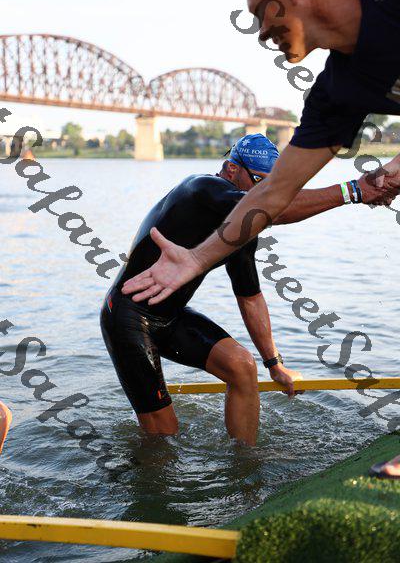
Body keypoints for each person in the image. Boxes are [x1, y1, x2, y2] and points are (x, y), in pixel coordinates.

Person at [120, 0, 400, 305]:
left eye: (259, 14)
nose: (262, 34)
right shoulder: (334, 95)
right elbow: (273, 193)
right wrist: (196, 259)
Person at [104, 133, 395, 446]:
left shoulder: (240, 231)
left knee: (242, 367)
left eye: (271, 185)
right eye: (259, 182)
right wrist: (353, 190)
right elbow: (270, 209)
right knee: (164, 436)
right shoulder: (202, 188)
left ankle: (246, 462)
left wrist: (275, 365)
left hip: (170, 317)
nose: (265, 193)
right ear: (232, 169)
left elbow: (250, 297)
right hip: (128, 317)